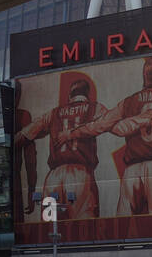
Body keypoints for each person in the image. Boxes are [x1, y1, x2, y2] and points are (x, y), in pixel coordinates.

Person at [70, 56, 152, 215]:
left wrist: (73, 132)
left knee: (125, 225)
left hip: (131, 171)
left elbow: (100, 124)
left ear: (145, 76)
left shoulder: (129, 102)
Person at [14, 73, 107, 220]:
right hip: (80, 173)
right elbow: (111, 123)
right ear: (86, 93)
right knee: (85, 227)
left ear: (70, 95)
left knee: (50, 230)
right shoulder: (95, 108)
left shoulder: (54, 113)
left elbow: (24, 136)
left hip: (53, 176)